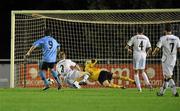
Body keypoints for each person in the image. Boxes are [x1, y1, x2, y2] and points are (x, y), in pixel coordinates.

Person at [152, 24, 179, 97]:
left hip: (166, 59)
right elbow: (179, 49)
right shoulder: (177, 38)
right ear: (171, 30)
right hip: (173, 58)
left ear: (165, 31)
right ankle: (161, 92)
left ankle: (175, 92)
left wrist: (153, 53)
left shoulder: (163, 38)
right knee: (166, 77)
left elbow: (158, 48)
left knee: (168, 76)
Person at [125, 26, 152, 92]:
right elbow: (150, 48)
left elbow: (126, 47)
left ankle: (139, 89)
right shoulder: (146, 38)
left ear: (137, 31)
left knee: (136, 72)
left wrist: (129, 50)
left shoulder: (134, 37)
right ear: (143, 32)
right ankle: (148, 84)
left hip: (136, 54)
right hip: (143, 55)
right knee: (142, 71)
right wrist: (147, 53)